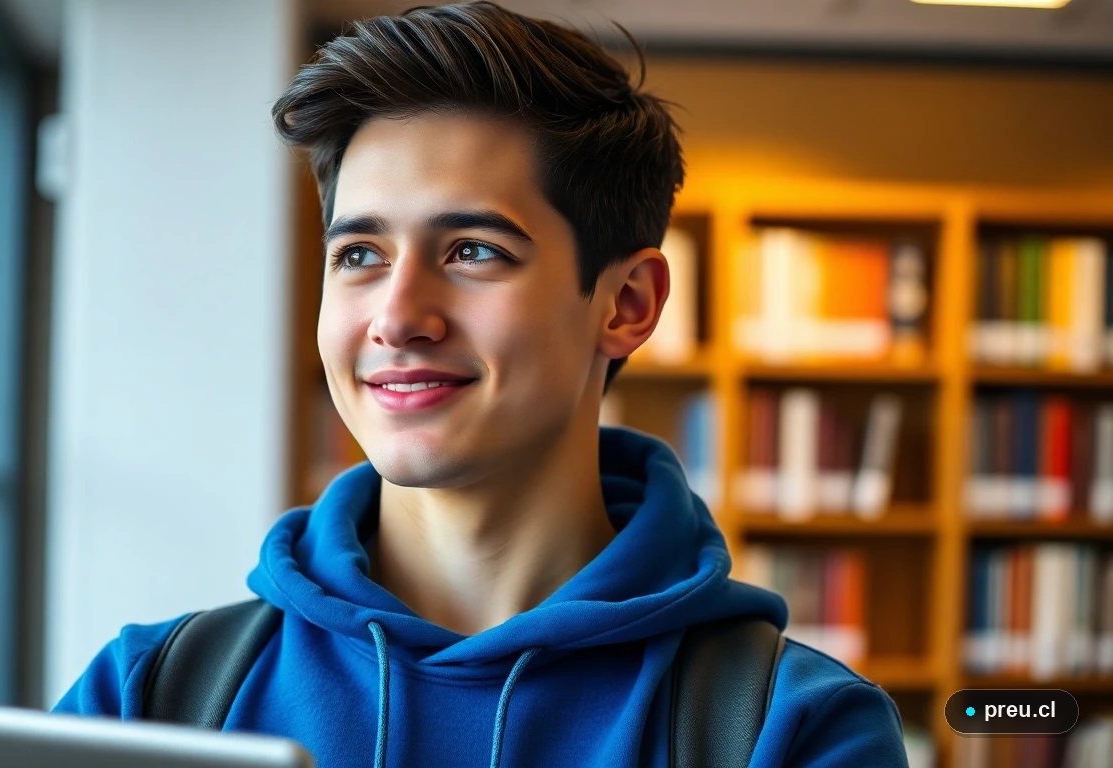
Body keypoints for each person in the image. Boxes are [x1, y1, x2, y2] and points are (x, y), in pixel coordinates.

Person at [52, 2, 909, 765]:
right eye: (360, 255)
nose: (397, 316)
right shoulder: (149, 700)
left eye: (472, 251)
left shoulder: (788, 733)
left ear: (627, 304)